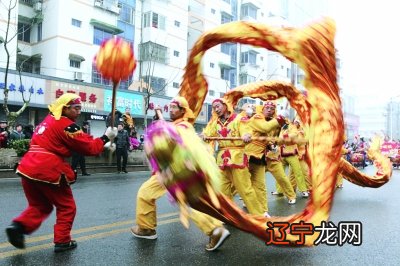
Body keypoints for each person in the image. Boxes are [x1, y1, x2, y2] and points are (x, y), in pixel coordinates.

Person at [5, 93, 117, 253]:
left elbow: (80, 140)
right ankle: (63, 241)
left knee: (40, 205)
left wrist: (103, 143)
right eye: (76, 108)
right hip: (47, 168)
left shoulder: (48, 121)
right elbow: (88, 147)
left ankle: (17, 227)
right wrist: (105, 138)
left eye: (80, 108)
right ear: (65, 108)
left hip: (28, 167)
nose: (79, 111)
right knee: (66, 207)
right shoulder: (66, 124)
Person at [131, 96, 230, 252]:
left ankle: (215, 230)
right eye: (170, 107)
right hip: (170, 171)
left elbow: (171, 140)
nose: (171, 110)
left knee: (184, 201)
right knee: (150, 194)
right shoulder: (177, 125)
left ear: (183, 111)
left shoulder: (184, 126)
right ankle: (146, 228)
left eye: (174, 107)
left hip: (174, 172)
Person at [202, 98, 263, 215]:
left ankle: (259, 216)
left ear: (226, 106)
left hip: (237, 157)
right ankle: (229, 215)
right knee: (223, 190)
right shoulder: (216, 123)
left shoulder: (239, 119)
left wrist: (246, 135)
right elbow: (208, 133)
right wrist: (205, 135)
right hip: (222, 159)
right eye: (214, 107)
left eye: (218, 106)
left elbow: (246, 130)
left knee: (245, 189)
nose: (216, 109)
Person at [243, 104, 286, 217]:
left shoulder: (271, 123)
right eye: (267, 108)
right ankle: (222, 209)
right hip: (246, 155)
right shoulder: (258, 117)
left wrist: (271, 145)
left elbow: (267, 138)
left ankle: (263, 211)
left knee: (260, 186)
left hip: (259, 157)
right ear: (262, 110)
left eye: (272, 109)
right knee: (238, 185)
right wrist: (280, 119)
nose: (269, 110)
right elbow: (264, 128)